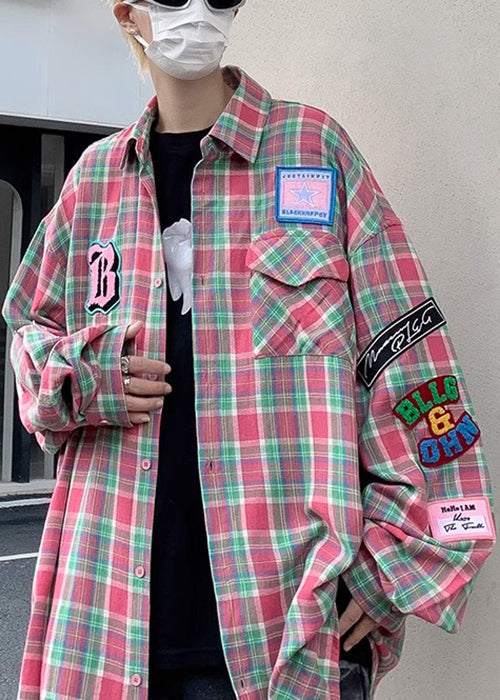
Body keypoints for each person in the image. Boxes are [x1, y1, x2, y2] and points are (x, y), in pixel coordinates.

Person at [1, 1, 495, 699]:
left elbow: (412, 360)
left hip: (284, 625)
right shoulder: (93, 183)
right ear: (129, 14)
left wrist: (398, 561)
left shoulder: (315, 152)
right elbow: (28, 339)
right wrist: (87, 377)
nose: (197, 12)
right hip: (103, 618)